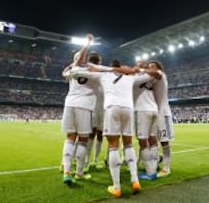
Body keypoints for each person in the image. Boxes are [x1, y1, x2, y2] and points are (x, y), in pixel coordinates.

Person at [71, 59, 154, 197]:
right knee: (128, 145)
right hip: (128, 109)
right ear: (121, 67)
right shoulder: (130, 77)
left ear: (111, 66)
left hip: (112, 108)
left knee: (113, 146)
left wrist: (95, 68)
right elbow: (152, 75)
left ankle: (116, 187)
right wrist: (136, 69)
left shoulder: (104, 74)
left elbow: (75, 73)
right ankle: (135, 181)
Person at [60, 34, 97, 184]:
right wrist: (87, 44)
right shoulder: (91, 70)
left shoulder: (71, 71)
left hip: (70, 104)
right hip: (84, 105)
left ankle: (67, 171)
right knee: (83, 140)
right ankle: (79, 173)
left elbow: (64, 72)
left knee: (70, 138)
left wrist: (73, 62)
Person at [133, 60, 159, 180]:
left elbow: (130, 74)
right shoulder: (149, 76)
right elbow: (155, 72)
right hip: (154, 109)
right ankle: (154, 168)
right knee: (152, 139)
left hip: (142, 110)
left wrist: (137, 68)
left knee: (143, 141)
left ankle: (150, 172)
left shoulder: (134, 78)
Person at [148, 60, 174, 177]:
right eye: (149, 67)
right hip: (155, 112)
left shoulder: (161, 75)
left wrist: (141, 69)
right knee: (153, 140)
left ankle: (167, 168)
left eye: (153, 66)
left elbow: (155, 73)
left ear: (158, 67)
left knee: (164, 141)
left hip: (164, 113)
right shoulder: (152, 79)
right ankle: (157, 159)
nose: (151, 69)